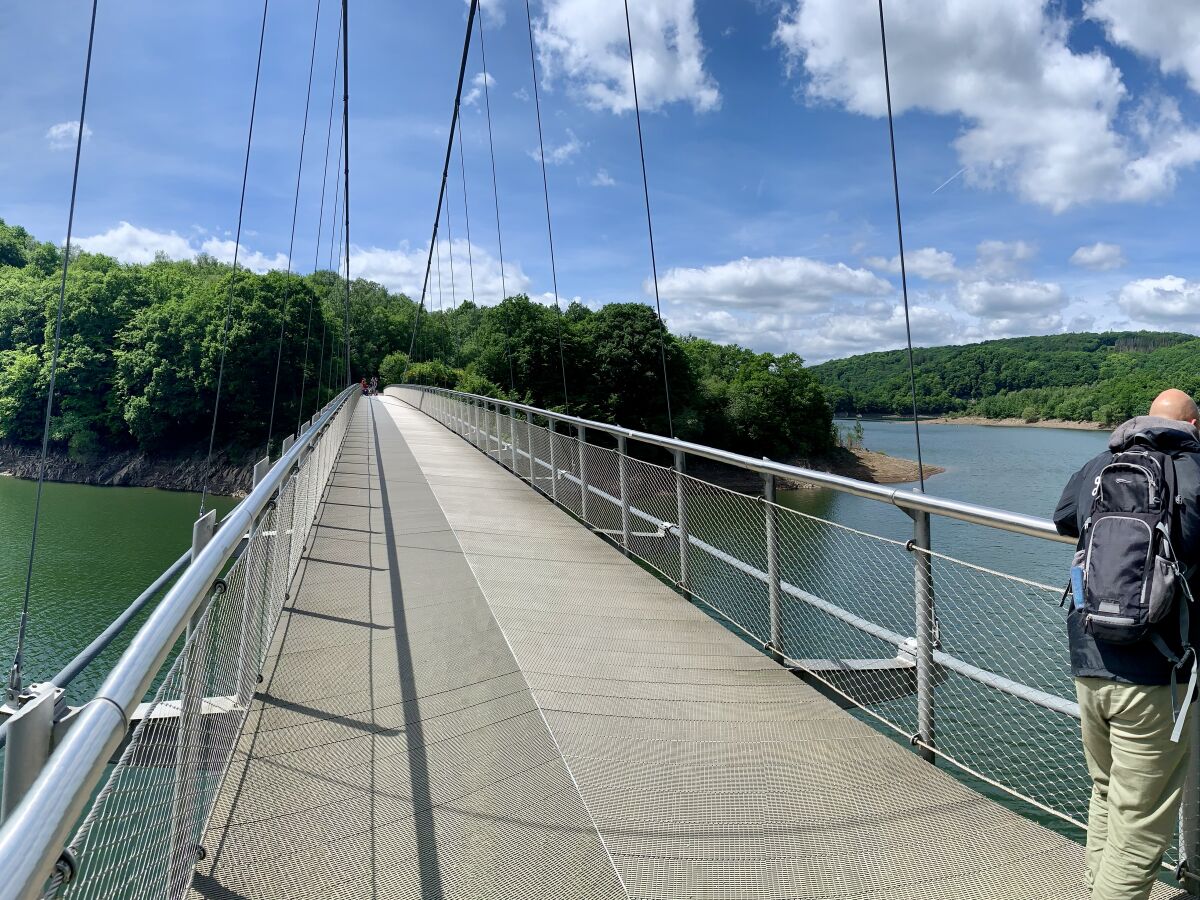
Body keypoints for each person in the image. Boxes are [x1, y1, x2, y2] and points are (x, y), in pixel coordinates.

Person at [1054, 388, 1200, 899]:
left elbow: (1063, 518)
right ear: (1194, 425)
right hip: (1156, 673)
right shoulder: (1193, 472)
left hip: (1089, 654)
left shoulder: (1102, 462)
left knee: (1105, 792)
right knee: (1140, 828)